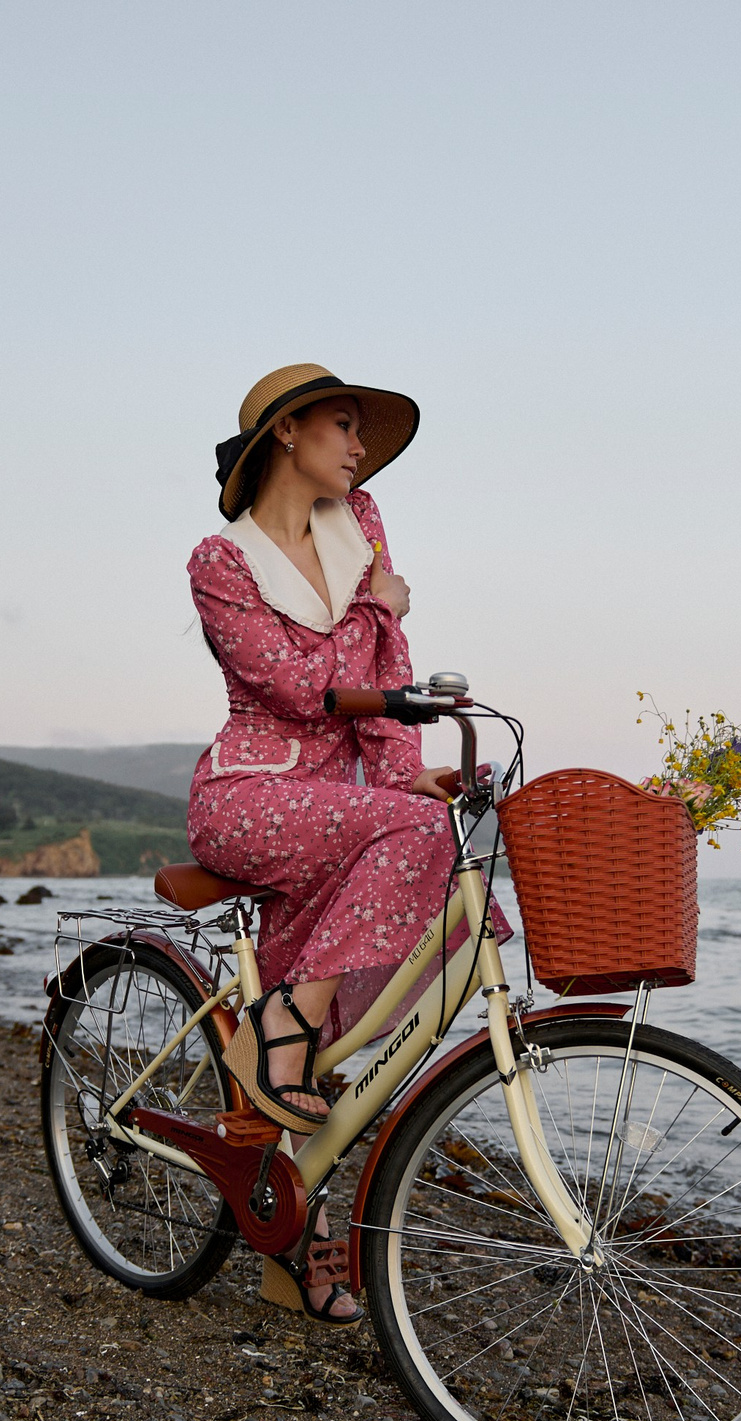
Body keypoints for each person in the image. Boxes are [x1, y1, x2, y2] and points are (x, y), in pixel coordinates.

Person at [183, 364, 463, 1325]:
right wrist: (382, 604)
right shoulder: (220, 562)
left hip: (346, 803)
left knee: (338, 1034)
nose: (358, 446)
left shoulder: (363, 522)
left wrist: (402, 771)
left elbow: (388, 680)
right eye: (343, 425)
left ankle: (290, 1240)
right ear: (288, 432)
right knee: (307, 1022)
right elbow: (297, 689)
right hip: (251, 793)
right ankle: (278, 1030)